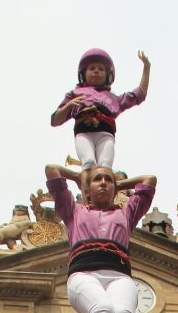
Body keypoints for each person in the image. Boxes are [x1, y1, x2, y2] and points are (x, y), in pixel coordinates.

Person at [45, 165, 156, 313]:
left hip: (119, 275)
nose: (103, 182)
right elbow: (52, 170)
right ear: (87, 189)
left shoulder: (127, 214)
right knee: (102, 309)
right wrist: (80, 177)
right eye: (97, 179)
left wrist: (119, 183)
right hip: (84, 274)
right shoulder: (73, 212)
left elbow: (149, 180)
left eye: (108, 180)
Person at [51, 49, 150, 201]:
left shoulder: (112, 98)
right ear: (83, 73)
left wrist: (146, 68)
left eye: (100, 69)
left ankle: (108, 201)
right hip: (83, 134)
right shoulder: (75, 94)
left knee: (105, 166)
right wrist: (69, 106)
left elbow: (139, 95)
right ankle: (86, 202)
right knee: (89, 163)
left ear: (107, 75)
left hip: (106, 134)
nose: (96, 71)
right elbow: (55, 120)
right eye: (92, 68)